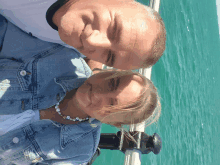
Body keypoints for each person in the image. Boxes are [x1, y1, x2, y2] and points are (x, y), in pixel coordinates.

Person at [0, 14, 161, 164]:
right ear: (111, 72)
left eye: (111, 104)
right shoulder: (60, 58)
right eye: (112, 83)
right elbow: (4, 33)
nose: (99, 93)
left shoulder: (79, 150)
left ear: (114, 122)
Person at [0, 0, 166, 70]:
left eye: (108, 56)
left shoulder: (74, 37)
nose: (92, 41)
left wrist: (96, 73)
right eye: (114, 29)